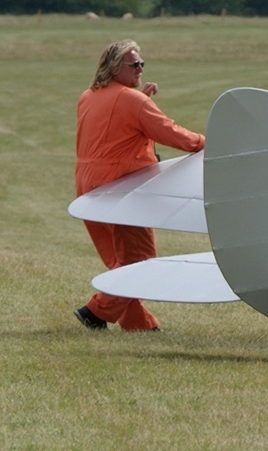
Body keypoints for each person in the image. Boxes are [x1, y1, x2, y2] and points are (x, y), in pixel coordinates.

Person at [75, 40, 206, 332]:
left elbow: (115, 127)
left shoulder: (88, 96)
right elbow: (169, 132)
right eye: (134, 65)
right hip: (121, 189)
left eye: (142, 64)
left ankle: (139, 324)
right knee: (140, 260)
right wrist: (203, 143)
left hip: (87, 187)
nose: (140, 69)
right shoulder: (132, 101)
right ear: (113, 68)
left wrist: (139, 99)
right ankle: (95, 312)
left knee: (120, 261)